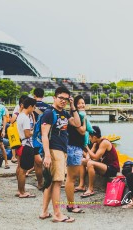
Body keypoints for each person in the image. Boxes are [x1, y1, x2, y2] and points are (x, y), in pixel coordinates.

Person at [39, 86, 80, 223]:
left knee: (50, 183)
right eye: (61, 98)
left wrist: (73, 105)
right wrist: (47, 155)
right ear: (54, 98)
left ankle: (44, 212)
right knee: (57, 182)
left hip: (61, 150)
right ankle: (57, 214)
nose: (63, 101)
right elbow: (44, 135)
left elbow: (78, 123)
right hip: (54, 150)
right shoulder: (49, 113)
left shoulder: (64, 113)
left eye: (66, 99)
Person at [65, 95, 88, 214]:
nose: (82, 105)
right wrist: (85, 121)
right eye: (79, 103)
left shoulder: (75, 115)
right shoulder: (77, 116)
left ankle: (71, 203)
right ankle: (70, 205)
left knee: (71, 178)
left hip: (75, 147)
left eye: (83, 103)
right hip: (73, 148)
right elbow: (82, 130)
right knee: (71, 178)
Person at [82, 126, 120, 198]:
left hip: (112, 168)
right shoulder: (96, 143)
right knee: (82, 161)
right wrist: (87, 157)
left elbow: (95, 157)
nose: (89, 139)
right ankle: (81, 185)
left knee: (90, 163)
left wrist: (86, 147)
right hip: (103, 166)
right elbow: (89, 155)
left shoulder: (104, 142)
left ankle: (90, 189)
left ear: (95, 137)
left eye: (90, 137)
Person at [16, 97, 37, 198]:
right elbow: (27, 134)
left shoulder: (20, 116)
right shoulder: (25, 118)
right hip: (26, 145)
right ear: (29, 106)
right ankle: (22, 192)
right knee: (23, 171)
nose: (34, 109)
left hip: (20, 144)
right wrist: (34, 132)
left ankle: (20, 190)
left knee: (20, 169)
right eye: (33, 107)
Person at [9, 95, 28, 163]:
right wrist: (19, 113)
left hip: (24, 129)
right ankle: (14, 157)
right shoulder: (18, 108)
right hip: (17, 129)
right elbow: (12, 120)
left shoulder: (28, 109)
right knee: (15, 143)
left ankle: (19, 157)